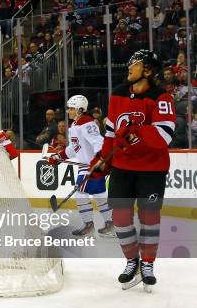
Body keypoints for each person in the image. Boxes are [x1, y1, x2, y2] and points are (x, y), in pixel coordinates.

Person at [91, 50, 175, 290]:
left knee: (149, 218)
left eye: (134, 64)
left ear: (147, 70)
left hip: (152, 168)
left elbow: (164, 136)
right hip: (121, 167)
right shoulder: (118, 94)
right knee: (119, 218)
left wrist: (136, 133)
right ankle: (131, 260)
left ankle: (147, 263)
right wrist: (101, 161)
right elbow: (110, 133)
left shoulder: (161, 97)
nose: (129, 67)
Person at [48, 95, 113, 236]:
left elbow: (98, 142)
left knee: (80, 193)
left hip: (92, 165)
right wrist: (58, 156)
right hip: (86, 166)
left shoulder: (87, 123)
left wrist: (100, 160)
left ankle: (90, 225)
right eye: (69, 108)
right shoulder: (75, 125)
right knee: (99, 194)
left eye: (71, 108)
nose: (68, 111)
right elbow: (73, 148)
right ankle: (111, 223)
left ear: (80, 109)